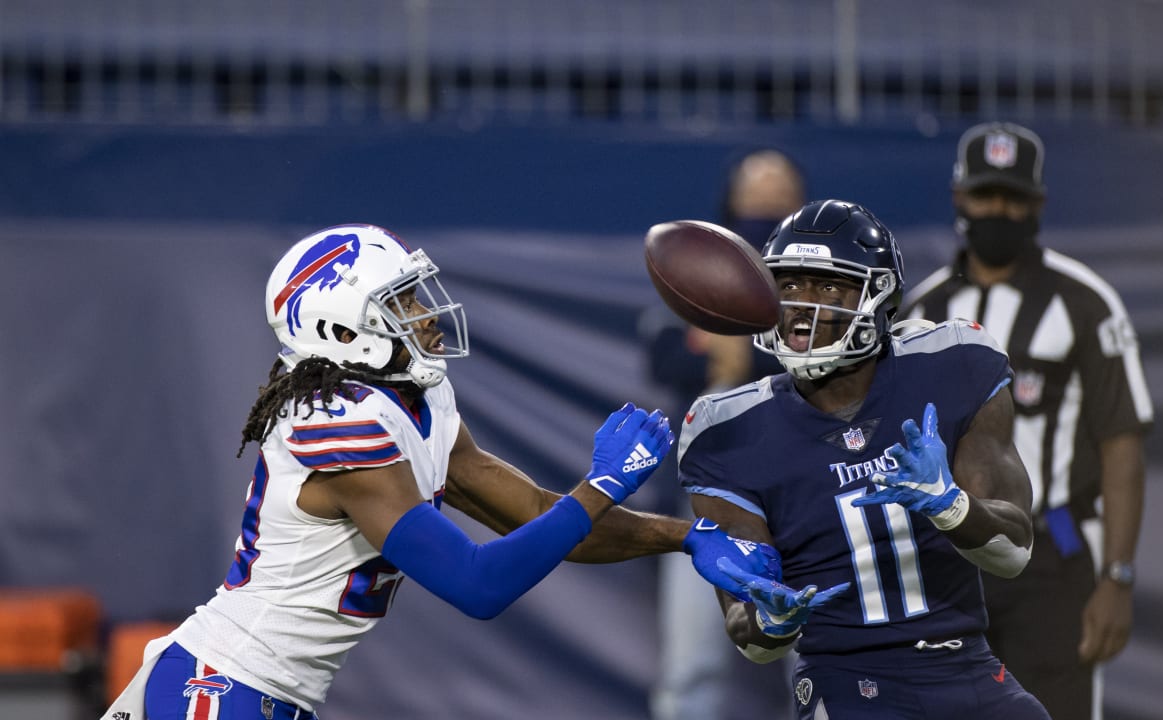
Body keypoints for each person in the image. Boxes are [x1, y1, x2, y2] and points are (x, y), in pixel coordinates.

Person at [101, 223, 782, 720]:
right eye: (400, 304)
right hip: (222, 689)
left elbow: (544, 519)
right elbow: (477, 584)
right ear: (344, 333)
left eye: (416, 294)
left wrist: (685, 537)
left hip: (262, 693)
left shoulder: (413, 396)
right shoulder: (337, 425)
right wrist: (600, 484)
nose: (426, 315)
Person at [682, 199, 1052, 719]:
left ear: (880, 297)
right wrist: (773, 620)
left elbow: (1013, 552)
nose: (803, 307)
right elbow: (753, 641)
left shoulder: (951, 365)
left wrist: (950, 506)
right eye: (788, 287)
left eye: (829, 287)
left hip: (965, 665)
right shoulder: (727, 430)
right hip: (846, 678)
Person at [903, 122, 1153, 720]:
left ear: (1037, 204)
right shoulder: (924, 310)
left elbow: (1122, 442)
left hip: (1056, 549)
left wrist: (1117, 576)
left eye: (1014, 198)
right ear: (960, 197)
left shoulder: (1085, 302)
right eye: (987, 195)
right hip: (951, 556)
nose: (1000, 210)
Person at [644, 147, 807, 720]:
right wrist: (722, 364)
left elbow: (837, 366)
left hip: (799, 497)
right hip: (705, 505)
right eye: (754, 190)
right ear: (731, 200)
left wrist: (743, 359)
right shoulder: (699, 266)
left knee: (819, 665)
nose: (766, 201)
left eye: (779, 189)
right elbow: (662, 354)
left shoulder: (814, 281)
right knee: (691, 671)